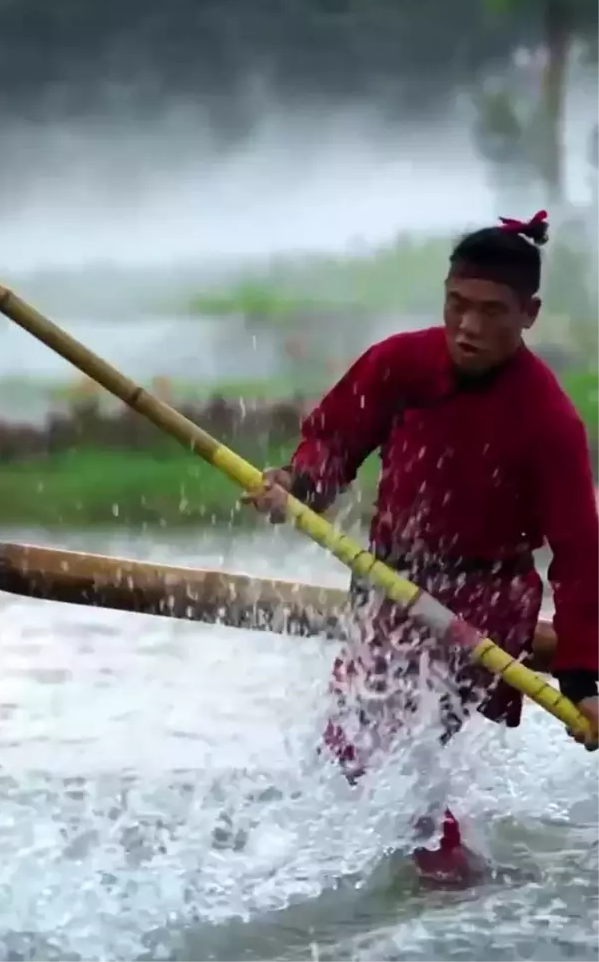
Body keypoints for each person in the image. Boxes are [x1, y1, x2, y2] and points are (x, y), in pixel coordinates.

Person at [244, 210, 599, 883]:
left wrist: (584, 681)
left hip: (485, 604)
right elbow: (334, 439)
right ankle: (409, 868)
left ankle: (445, 873)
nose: (467, 326)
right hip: (389, 584)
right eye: (456, 304)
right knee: (347, 748)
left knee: (409, 742)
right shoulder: (400, 362)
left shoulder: (550, 419)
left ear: (529, 314)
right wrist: (298, 483)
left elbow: (581, 558)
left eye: (491, 312)